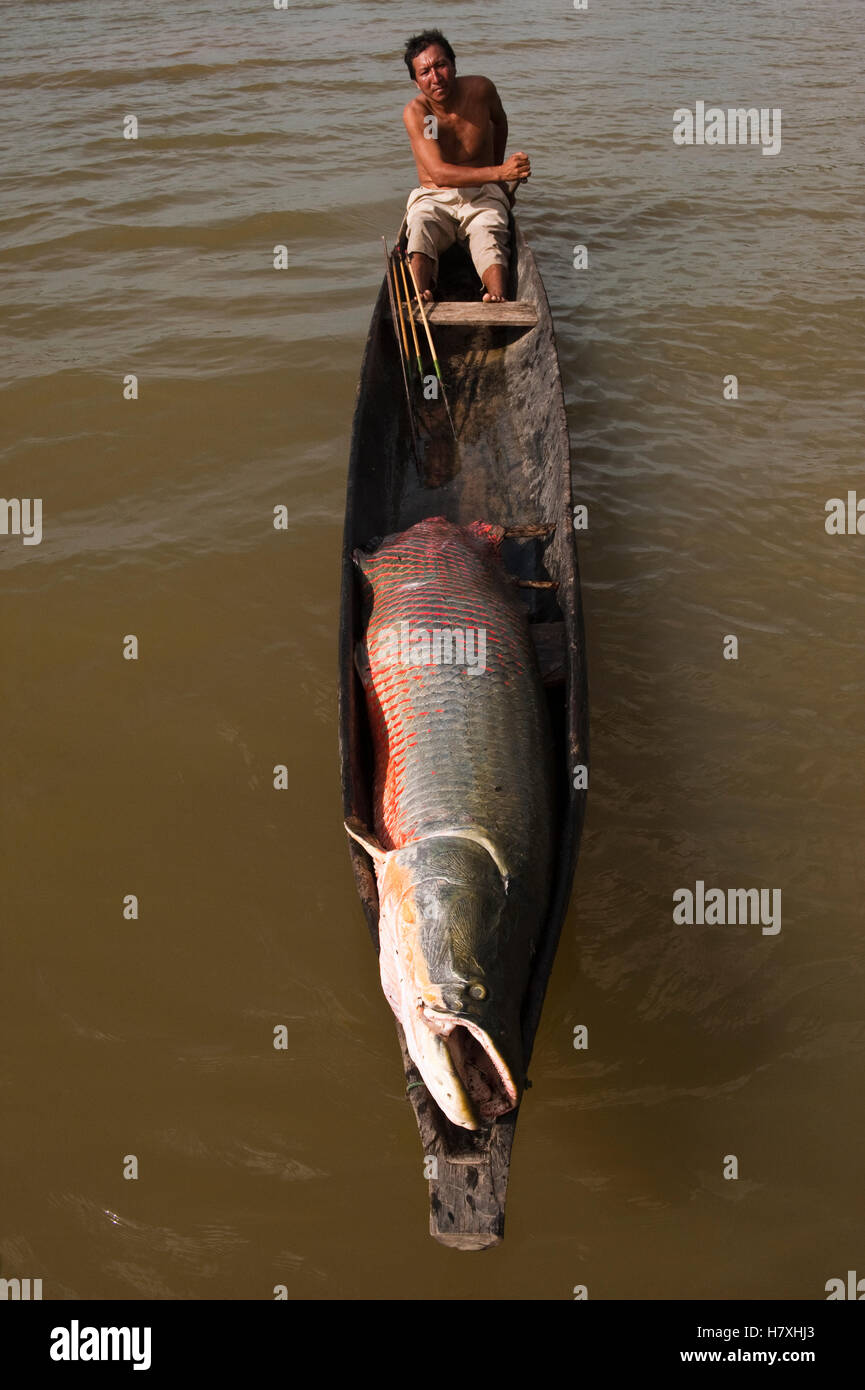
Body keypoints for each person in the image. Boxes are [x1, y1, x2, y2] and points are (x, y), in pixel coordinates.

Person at [401, 29, 531, 303]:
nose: (435, 78)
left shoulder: (480, 90)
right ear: (416, 82)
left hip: (482, 193)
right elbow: (438, 173)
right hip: (435, 196)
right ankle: (419, 295)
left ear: (454, 65)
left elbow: (499, 122)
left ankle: (496, 298)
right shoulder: (421, 113)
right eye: (425, 72)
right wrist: (501, 172)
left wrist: (498, 176)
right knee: (421, 226)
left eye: (441, 66)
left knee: (489, 231)